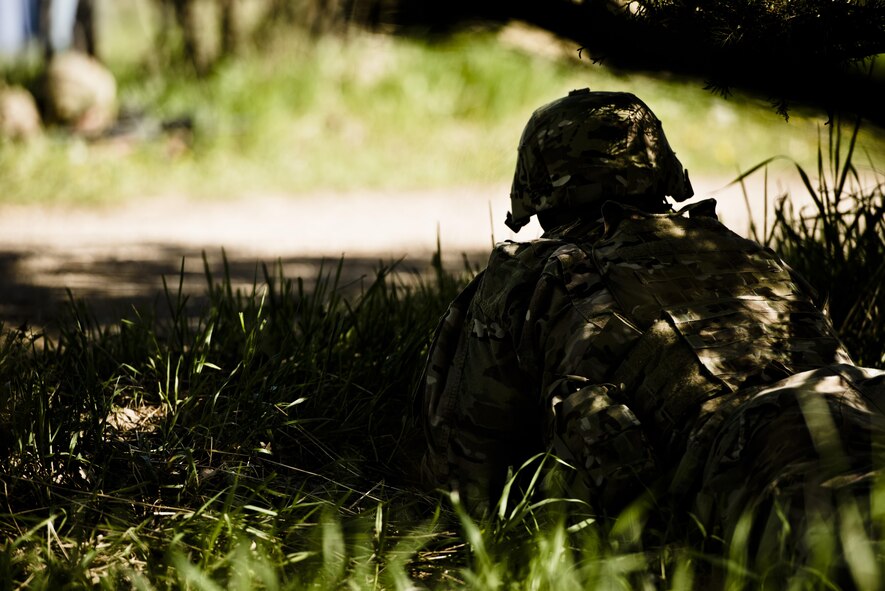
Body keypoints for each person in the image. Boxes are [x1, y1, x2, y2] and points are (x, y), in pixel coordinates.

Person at [419, 89, 885, 563]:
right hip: (861, 393)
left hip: (747, 449)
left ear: (537, 181)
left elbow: (462, 467)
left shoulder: (530, 273)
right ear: (659, 165)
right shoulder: (740, 249)